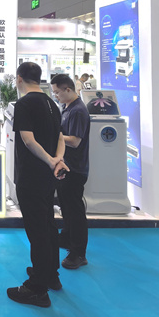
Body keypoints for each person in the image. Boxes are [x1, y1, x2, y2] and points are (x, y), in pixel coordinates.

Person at [7, 62, 68, 308]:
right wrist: (57, 160)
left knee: (37, 231)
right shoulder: (52, 103)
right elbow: (60, 137)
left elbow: (28, 140)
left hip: (31, 175)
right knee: (48, 225)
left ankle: (37, 289)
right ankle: (51, 274)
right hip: (47, 176)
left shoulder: (24, 104)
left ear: (19, 79)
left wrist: (51, 160)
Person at [50, 74, 91, 270]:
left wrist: (54, 136)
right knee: (65, 206)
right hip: (65, 166)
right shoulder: (66, 108)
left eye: (57, 92)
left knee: (75, 211)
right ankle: (66, 238)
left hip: (75, 168)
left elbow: (74, 141)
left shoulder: (78, 111)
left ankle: (78, 253)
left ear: (68, 89)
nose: (56, 96)